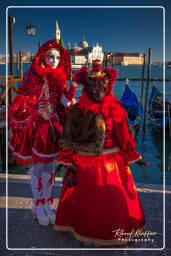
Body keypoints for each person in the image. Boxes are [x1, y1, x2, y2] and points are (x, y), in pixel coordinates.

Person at [54, 60, 149, 246]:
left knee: (110, 204)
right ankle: (85, 231)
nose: (97, 90)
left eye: (101, 86)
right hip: (83, 163)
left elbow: (125, 138)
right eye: (93, 86)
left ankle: (109, 232)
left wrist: (134, 156)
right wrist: (66, 162)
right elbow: (68, 138)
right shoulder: (75, 111)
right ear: (86, 88)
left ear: (108, 86)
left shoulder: (117, 110)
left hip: (111, 164)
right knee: (85, 202)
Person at [8, 39, 77, 226]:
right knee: (38, 169)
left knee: (50, 168)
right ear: (43, 57)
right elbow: (25, 98)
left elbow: (64, 102)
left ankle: (47, 204)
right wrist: (35, 110)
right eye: (50, 56)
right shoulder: (34, 77)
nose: (54, 60)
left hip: (54, 130)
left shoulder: (60, 79)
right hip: (39, 129)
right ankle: (37, 205)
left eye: (57, 57)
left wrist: (80, 105)